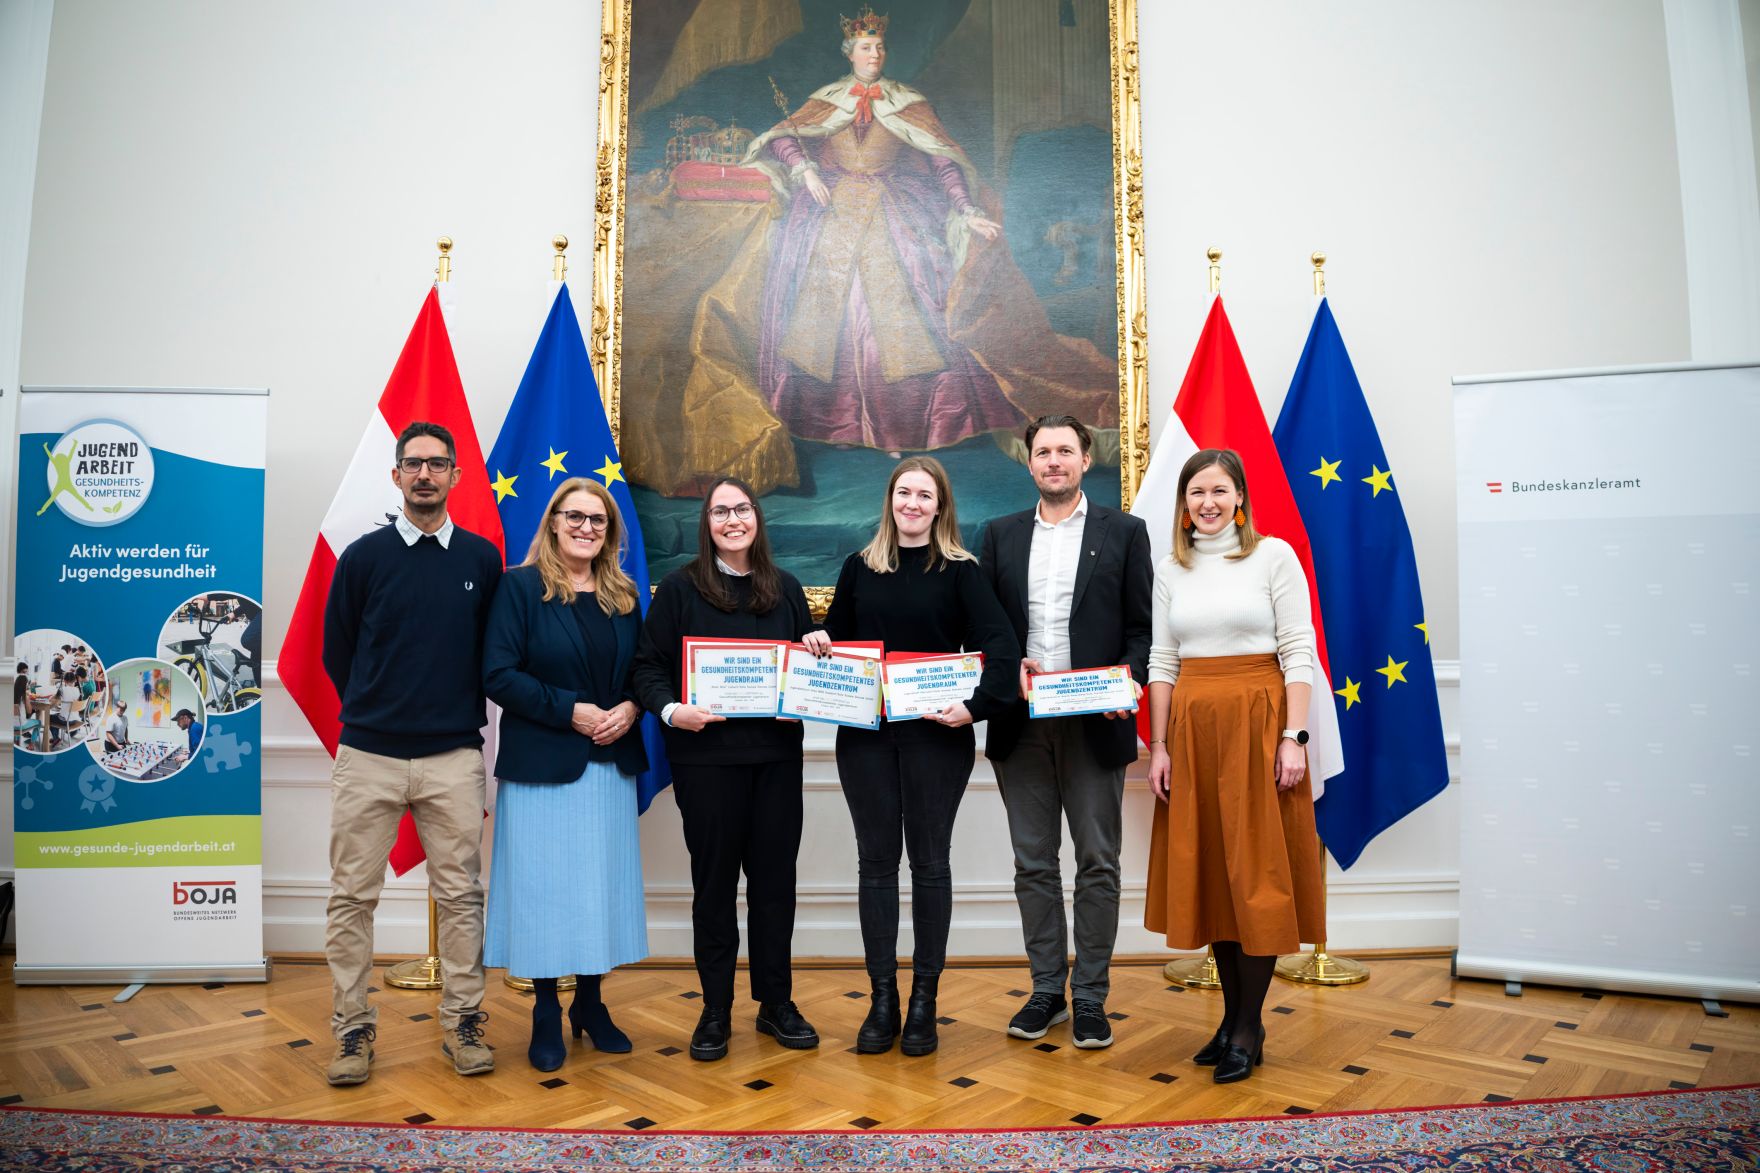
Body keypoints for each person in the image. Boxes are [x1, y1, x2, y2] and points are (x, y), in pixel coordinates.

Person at [741, 7, 1023, 455]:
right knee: (831, 314)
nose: (875, 54)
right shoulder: (828, 98)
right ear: (850, 53)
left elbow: (942, 159)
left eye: (880, 47)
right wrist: (806, 170)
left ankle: (898, 429)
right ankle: (842, 427)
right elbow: (781, 137)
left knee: (895, 307)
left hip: (891, 213)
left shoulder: (907, 101)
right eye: (867, 48)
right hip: (832, 214)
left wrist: (967, 209)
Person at [320, 420, 504, 1087]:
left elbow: (491, 656)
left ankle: (462, 1022)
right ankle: (351, 1030)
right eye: (413, 464)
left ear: (456, 476)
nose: (425, 474)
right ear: (395, 476)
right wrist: (378, 710)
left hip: (452, 754)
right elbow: (337, 652)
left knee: (460, 895)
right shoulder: (362, 558)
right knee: (351, 895)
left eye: (437, 464)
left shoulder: (482, 560)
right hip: (368, 751)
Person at [824, 456, 1019, 1056]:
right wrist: (819, 643)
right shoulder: (859, 567)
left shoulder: (961, 571)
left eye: (924, 495)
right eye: (903, 492)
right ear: (890, 500)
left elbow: (1002, 647)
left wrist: (975, 707)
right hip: (867, 736)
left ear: (940, 507)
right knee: (876, 864)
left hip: (938, 735)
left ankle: (924, 1003)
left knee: (930, 864)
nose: (912, 503)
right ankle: (882, 999)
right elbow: (836, 644)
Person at [1144, 449, 1326, 1085]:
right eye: (1196, 492)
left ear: (1239, 496)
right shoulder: (1171, 567)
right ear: (1184, 502)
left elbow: (1298, 649)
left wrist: (1293, 737)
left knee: (1257, 876)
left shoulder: (1274, 556)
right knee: (1217, 875)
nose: (1207, 502)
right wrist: (1160, 746)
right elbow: (1162, 661)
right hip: (1193, 733)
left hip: (1258, 727)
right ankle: (1229, 1019)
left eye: (1219, 490)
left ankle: (1250, 1027)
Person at [632, 478, 828, 1062]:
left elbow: (811, 678)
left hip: (774, 764)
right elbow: (647, 668)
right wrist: (672, 710)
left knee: (774, 888)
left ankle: (775, 1003)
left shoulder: (786, 588)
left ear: (757, 518)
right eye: (721, 511)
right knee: (714, 888)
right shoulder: (679, 589)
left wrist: (819, 644)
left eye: (742, 509)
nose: (733, 519)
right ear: (707, 522)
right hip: (706, 762)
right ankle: (715, 1008)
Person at [978, 415, 1152, 1048]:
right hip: (1020, 724)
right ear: (1029, 463)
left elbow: (1141, 630)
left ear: (1086, 459)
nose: (1054, 461)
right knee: (1032, 863)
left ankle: (1091, 998)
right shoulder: (997, 535)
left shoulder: (1125, 533)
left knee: (1098, 863)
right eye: (1043, 452)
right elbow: (987, 631)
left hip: (1096, 723)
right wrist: (1006, 664)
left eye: (1065, 451)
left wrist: (1127, 683)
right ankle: (1046, 990)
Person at [483, 476, 648, 1072]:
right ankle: (547, 1010)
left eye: (597, 520)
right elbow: (497, 673)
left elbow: (643, 670)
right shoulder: (520, 588)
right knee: (545, 892)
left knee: (595, 889)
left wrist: (631, 708)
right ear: (552, 522)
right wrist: (569, 711)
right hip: (542, 766)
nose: (585, 527)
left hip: (609, 762)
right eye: (574, 516)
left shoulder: (624, 594)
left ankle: (593, 1005)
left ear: (610, 532)